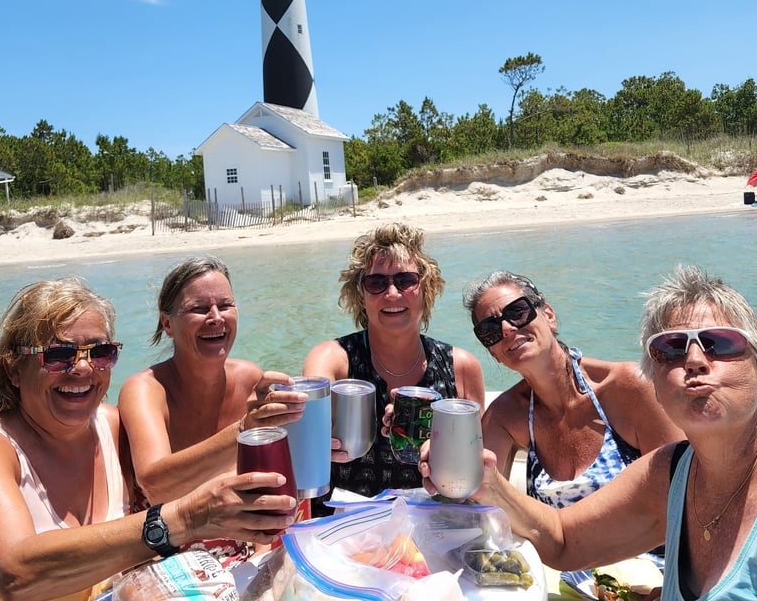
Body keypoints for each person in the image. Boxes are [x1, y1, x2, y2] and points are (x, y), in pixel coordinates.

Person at [421, 265, 757, 600]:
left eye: (720, 343)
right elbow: (563, 540)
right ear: (657, 381)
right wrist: (487, 484)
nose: (694, 360)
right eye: (671, 349)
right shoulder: (671, 473)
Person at [0, 277, 296, 601]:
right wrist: (186, 518)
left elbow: (167, 483)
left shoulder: (111, 428)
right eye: (58, 354)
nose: (83, 367)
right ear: (15, 369)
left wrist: (257, 431)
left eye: (100, 352)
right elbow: (17, 576)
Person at [467, 271, 683, 566]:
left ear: (549, 316)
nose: (506, 329)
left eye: (517, 312)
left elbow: (684, 497)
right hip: (559, 575)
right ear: (493, 353)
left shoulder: (628, 388)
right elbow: (476, 504)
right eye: (490, 330)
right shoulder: (505, 415)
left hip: (653, 572)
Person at [118, 256, 305, 566]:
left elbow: (266, 494)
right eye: (199, 308)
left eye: (225, 305)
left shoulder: (249, 378)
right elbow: (156, 485)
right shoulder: (145, 389)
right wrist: (244, 430)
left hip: (244, 559)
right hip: (166, 562)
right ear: (167, 324)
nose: (216, 317)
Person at [303, 222, 485, 508]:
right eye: (376, 283)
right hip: (346, 525)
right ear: (361, 295)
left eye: (405, 280)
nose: (391, 294)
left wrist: (436, 433)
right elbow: (308, 425)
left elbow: (476, 470)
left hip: (435, 524)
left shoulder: (461, 367)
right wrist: (317, 436)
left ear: (427, 289)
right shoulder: (334, 359)